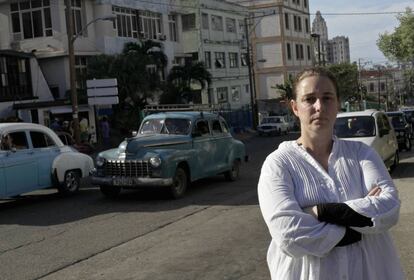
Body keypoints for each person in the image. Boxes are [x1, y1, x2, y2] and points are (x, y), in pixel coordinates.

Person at [257, 67, 404, 280]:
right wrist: (358, 225)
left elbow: (389, 207)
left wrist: (321, 211)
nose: (319, 107)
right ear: (295, 107)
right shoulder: (278, 164)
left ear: (337, 104)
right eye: (309, 99)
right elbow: (288, 234)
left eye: (327, 98)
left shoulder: (361, 153)